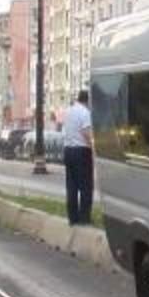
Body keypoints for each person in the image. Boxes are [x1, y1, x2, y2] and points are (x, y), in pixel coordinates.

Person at [62, 90, 94, 225]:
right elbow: (86, 132)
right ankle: (84, 218)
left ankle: (72, 217)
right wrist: (94, 148)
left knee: (72, 186)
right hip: (81, 151)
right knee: (86, 186)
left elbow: (65, 131)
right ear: (87, 100)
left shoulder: (68, 111)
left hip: (68, 151)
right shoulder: (85, 113)